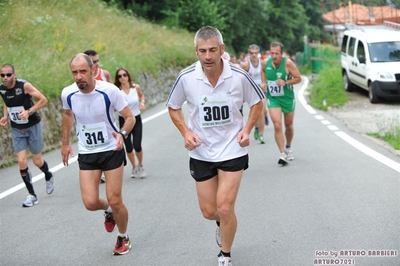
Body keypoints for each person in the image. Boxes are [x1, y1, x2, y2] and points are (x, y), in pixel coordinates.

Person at [166, 26, 264, 266]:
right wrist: (186, 132)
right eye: (202, 51)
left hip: (232, 148)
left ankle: (225, 255)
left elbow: (258, 101)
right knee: (210, 212)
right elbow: (173, 106)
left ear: (222, 49)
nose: (208, 56)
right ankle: (221, 224)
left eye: (212, 50)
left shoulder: (239, 75)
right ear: (196, 51)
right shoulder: (187, 77)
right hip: (201, 151)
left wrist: (246, 129)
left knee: (225, 207)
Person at [61, 53, 135, 255]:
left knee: (115, 199)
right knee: (91, 202)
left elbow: (129, 117)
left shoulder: (109, 91)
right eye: (74, 72)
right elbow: (68, 115)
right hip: (87, 152)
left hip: (112, 149)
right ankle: (108, 212)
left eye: (83, 71)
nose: (78, 77)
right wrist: (65, 143)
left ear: (93, 70)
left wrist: (122, 133)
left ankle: (123, 236)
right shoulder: (67, 93)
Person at [0, 64, 54, 207]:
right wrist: (5, 116)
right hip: (17, 128)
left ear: (14, 75)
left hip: (32, 126)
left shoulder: (24, 86)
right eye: (2, 75)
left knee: (37, 161)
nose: (5, 78)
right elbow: (6, 102)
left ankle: (48, 174)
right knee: (22, 161)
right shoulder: (2, 89)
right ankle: (32, 195)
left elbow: (43, 100)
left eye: (8, 74)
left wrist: (29, 112)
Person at [261, 41, 302, 165]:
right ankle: (282, 153)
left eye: (277, 53)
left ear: (282, 54)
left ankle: (288, 147)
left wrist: (286, 82)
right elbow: (262, 71)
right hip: (273, 98)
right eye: (272, 53)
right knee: (277, 125)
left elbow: (298, 78)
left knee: (288, 125)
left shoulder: (288, 63)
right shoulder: (265, 63)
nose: (274, 56)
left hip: (287, 98)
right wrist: (264, 82)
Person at [84, 49, 112, 183]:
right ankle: (99, 170)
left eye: (97, 61)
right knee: (94, 144)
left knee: (108, 142)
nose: (96, 64)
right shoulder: (82, 78)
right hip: (90, 119)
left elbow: (114, 92)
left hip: (106, 118)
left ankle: (108, 168)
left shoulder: (104, 73)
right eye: (93, 61)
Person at [114, 68, 146, 178]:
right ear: (117, 79)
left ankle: (141, 165)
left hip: (136, 119)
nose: (123, 77)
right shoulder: (117, 92)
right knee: (128, 147)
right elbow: (113, 107)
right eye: (120, 76)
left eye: (124, 75)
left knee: (137, 145)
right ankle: (134, 167)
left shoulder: (135, 88)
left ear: (128, 76)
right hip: (124, 120)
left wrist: (142, 102)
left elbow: (142, 95)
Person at [241, 44, 269, 144]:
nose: (254, 55)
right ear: (249, 53)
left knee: (262, 112)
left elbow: (265, 73)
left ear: (258, 53)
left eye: (256, 53)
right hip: (251, 92)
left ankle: (261, 134)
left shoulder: (263, 63)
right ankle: (256, 127)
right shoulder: (246, 64)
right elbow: (241, 78)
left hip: (261, 90)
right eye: (252, 53)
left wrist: (264, 82)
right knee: (255, 113)